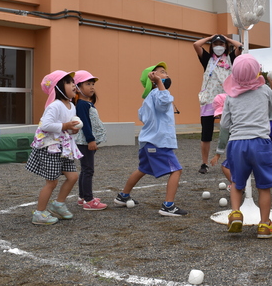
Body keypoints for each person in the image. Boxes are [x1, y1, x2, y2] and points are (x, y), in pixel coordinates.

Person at [221, 54, 272, 238]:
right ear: (257, 72)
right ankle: (264, 225)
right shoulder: (264, 90)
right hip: (260, 143)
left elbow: (225, 124)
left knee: (236, 182)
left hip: (237, 143)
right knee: (264, 186)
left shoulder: (231, 96)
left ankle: (235, 214)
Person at [114, 62, 187, 216]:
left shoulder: (148, 98)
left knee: (143, 169)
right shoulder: (158, 95)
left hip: (148, 142)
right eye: (161, 72)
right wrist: (159, 83)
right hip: (158, 142)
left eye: (166, 72)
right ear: (152, 79)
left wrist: (159, 83)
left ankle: (123, 196)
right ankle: (168, 206)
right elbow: (164, 102)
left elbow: (143, 115)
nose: (166, 75)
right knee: (176, 170)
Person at [25, 71, 82, 225]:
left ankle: (58, 204)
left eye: (73, 82)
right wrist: (65, 126)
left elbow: (68, 126)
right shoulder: (55, 106)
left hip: (63, 147)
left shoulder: (71, 105)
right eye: (69, 83)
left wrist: (72, 129)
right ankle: (39, 213)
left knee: (73, 177)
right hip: (50, 147)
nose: (74, 86)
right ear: (59, 87)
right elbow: (46, 125)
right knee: (52, 182)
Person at [193, 34, 242, 174]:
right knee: (206, 133)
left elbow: (240, 46)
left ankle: (233, 160)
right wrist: (210, 37)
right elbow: (196, 45)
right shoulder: (207, 59)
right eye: (215, 44)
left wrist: (227, 40)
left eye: (221, 43)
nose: (218, 46)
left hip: (228, 100)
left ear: (226, 46)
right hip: (209, 99)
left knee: (232, 131)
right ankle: (204, 163)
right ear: (211, 45)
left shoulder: (231, 58)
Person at [74, 70, 107, 211]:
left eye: (93, 84)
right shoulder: (81, 104)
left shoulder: (86, 103)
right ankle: (88, 200)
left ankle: (82, 197)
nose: (92, 87)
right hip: (85, 142)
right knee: (88, 170)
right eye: (88, 84)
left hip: (85, 142)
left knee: (85, 169)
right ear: (77, 87)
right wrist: (91, 140)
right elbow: (85, 124)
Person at [209, 93, 233, 187]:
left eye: (220, 115)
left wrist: (217, 155)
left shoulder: (225, 122)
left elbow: (223, 138)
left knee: (226, 167)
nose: (219, 117)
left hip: (236, 145)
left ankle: (237, 186)